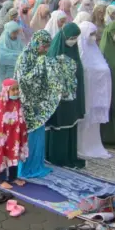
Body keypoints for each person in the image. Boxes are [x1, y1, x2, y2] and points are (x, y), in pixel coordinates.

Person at [15, 30, 75, 179]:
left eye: (48, 47)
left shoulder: (40, 57)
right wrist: (40, 67)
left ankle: (37, 164)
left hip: (39, 105)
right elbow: (23, 81)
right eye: (44, 46)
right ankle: (26, 167)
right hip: (27, 104)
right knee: (30, 138)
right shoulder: (24, 57)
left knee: (39, 137)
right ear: (36, 43)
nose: (46, 50)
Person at [45, 23, 85, 169]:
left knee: (69, 125)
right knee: (58, 126)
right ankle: (55, 157)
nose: (73, 40)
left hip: (71, 100)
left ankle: (68, 155)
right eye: (71, 37)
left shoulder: (74, 52)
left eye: (76, 38)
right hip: (58, 100)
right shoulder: (54, 53)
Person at [75, 22, 111, 159]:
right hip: (86, 93)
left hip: (97, 93)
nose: (93, 37)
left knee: (94, 124)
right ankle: (82, 147)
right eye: (91, 34)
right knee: (85, 121)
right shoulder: (80, 51)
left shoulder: (95, 51)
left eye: (94, 34)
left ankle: (94, 145)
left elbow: (104, 68)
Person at [0, 79, 28, 183]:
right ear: (6, 91)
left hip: (15, 135)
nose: (16, 92)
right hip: (3, 137)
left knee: (14, 153)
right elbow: (0, 122)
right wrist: (2, 137)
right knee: (3, 154)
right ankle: (2, 180)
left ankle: (13, 178)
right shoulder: (2, 103)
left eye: (17, 89)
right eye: (13, 90)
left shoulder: (17, 102)